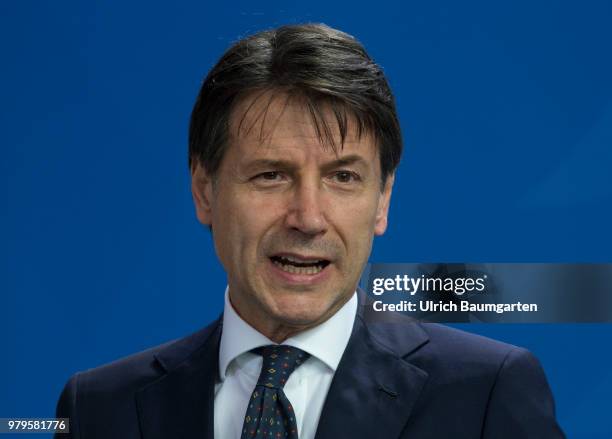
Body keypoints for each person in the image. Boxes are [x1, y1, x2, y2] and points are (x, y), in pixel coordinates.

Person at [56, 23, 565, 438]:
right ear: (205, 190)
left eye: (343, 177)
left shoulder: (485, 393)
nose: (308, 217)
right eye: (271, 175)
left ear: (382, 199)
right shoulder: (98, 409)